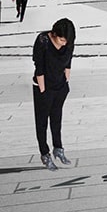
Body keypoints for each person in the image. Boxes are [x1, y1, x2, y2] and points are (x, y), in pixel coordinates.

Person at [32, 18, 76, 169]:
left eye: (67, 41)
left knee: (57, 120)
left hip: (60, 86)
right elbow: (39, 67)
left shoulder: (68, 42)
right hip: (44, 86)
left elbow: (68, 63)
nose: (64, 44)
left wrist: (66, 83)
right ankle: (45, 154)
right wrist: (43, 90)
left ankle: (58, 149)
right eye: (62, 40)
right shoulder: (43, 40)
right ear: (54, 34)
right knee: (42, 122)